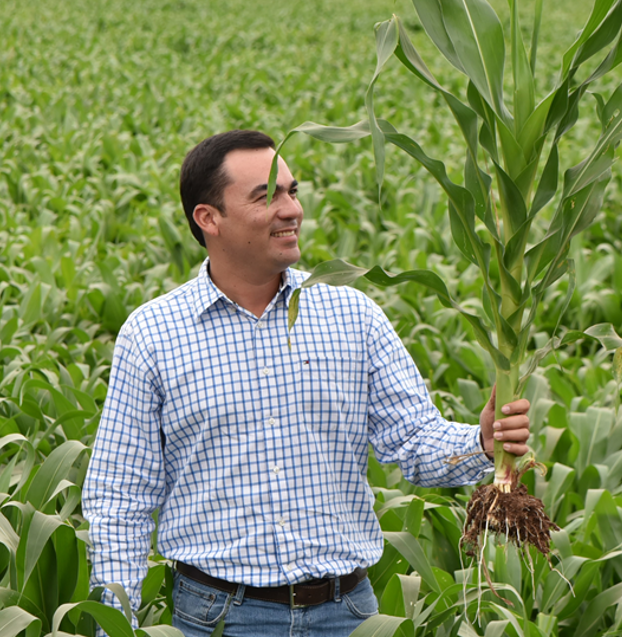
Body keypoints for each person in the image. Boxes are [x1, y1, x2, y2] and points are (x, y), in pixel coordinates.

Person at [83, 130, 534, 637]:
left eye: (292, 191)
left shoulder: (351, 314)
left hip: (349, 614)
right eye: (266, 195)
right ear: (208, 218)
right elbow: (121, 499)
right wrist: (113, 626)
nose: (290, 209)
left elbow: (412, 439)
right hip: (220, 617)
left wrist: (480, 441)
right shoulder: (153, 335)